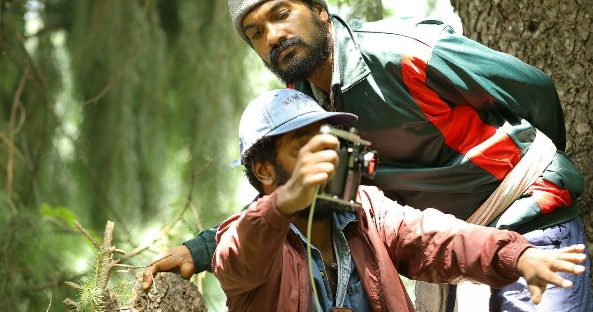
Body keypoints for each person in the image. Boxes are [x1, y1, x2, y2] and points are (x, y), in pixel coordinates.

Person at [143, 0, 592, 311]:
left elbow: (534, 88)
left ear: (319, 10)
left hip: (531, 224)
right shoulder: (306, 109)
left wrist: (544, 178)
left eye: (282, 14)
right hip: (453, 247)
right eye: (256, 32)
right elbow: (296, 193)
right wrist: (203, 248)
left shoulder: (403, 52)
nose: (273, 36)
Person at [216, 88, 585, 311]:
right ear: (264, 171)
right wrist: (284, 202)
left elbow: (433, 237)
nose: (327, 162)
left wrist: (516, 255)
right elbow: (239, 257)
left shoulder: (365, 209)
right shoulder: (244, 237)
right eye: (305, 151)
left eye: (329, 145)